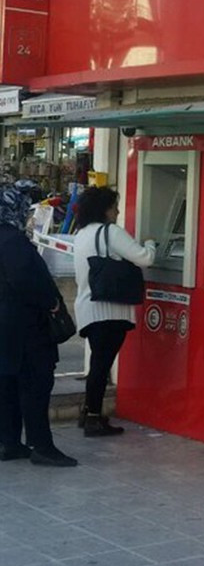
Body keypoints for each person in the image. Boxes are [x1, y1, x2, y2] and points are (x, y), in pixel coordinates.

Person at [0, 181, 78, 466]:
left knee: (8, 385)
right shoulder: (12, 240)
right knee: (36, 384)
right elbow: (23, 278)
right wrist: (50, 302)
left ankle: (9, 442)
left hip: (7, 327)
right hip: (25, 327)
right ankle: (41, 445)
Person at [72, 186, 155, 437]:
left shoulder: (81, 234)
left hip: (88, 308)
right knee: (101, 364)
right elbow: (145, 258)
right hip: (108, 311)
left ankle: (90, 412)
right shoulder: (111, 232)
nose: (117, 212)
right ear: (104, 209)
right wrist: (151, 243)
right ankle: (94, 419)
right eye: (114, 207)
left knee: (98, 363)